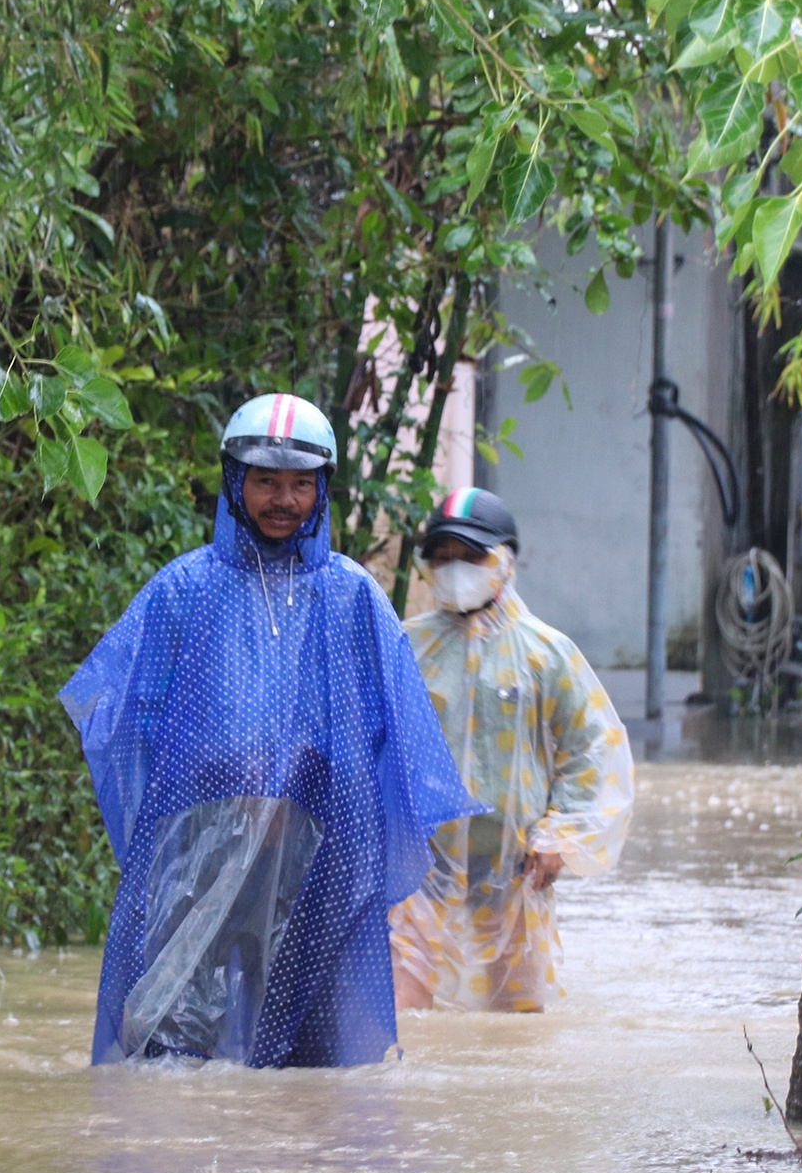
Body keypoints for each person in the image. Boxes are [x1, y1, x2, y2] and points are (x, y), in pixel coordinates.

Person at [61, 393, 483, 1067]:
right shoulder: (183, 589)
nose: (284, 500)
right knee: (175, 1048)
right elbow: (129, 720)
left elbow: (398, 735)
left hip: (325, 856)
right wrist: (166, 835)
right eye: (265, 481)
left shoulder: (353, 596)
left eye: (301, 484)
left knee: (318, 1062)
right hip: (203, 850)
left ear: (322, 490)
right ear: (236, 481)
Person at [389, 488, 633, 1013]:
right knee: (404, 1010)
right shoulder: (404, 646)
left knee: (516, 1022)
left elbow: (593, 749)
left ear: (505, 560)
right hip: (419, 862)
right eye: (443, 557)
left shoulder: (547, 654)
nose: (456, 570)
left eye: (471, 556)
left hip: (514, 866)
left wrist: (559, 834)